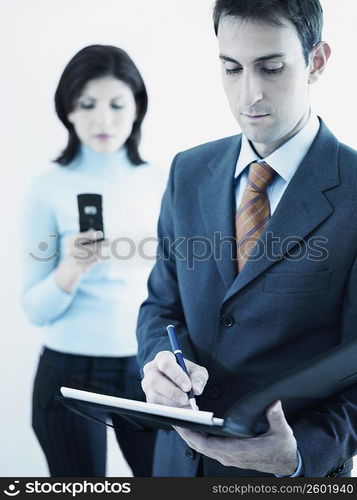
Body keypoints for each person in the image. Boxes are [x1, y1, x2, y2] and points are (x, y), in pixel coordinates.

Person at [137, 0, 357, 478]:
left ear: (316, 62)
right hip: (178, 467)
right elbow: (160, 307)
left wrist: (301, 455)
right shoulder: (188, 171)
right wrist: (159, 365)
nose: (249, 94)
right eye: (231, 69)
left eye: (271, 67)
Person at [22, 44, 165, 477]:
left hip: (146, 367)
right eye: (87, 105)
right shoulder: (46, 189)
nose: (103, 120)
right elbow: (35, 309)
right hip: (67, 371)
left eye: (117, 104)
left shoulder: (163, 181)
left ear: (137, 108)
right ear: (68, 111)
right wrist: (70, 271)